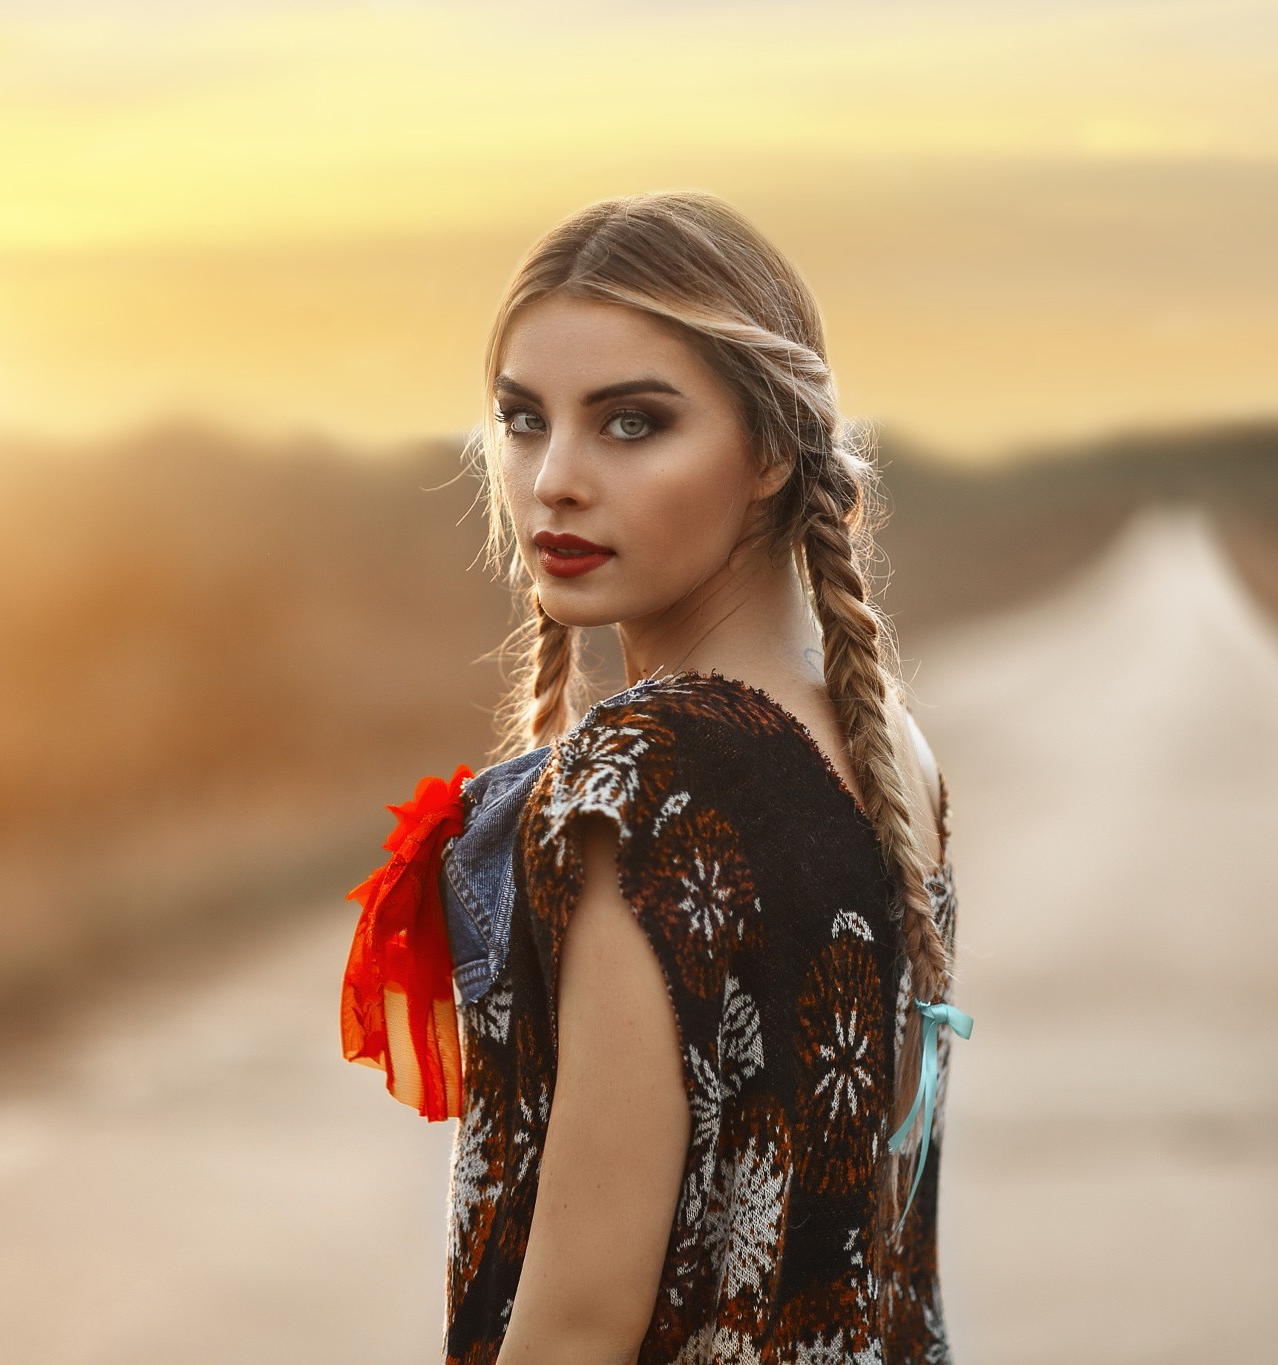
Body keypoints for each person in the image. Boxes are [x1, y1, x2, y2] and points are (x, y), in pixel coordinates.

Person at [441, 190, 967, 1364]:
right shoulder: (885, 744)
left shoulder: (648, 773)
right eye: (522, 420)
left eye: (631, 424)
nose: (553, 480)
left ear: (773, 449)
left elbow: (576, 1327)